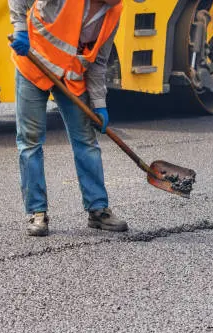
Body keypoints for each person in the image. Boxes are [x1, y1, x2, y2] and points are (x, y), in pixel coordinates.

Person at [9, 0, 128, 236]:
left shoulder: (114, 12)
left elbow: (98, 62)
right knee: (30, 141)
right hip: (34, 65)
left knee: (86, 141)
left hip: (71, 77)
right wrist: (20, 29)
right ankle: (37, 213)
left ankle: (98, 210)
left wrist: (99, 104)